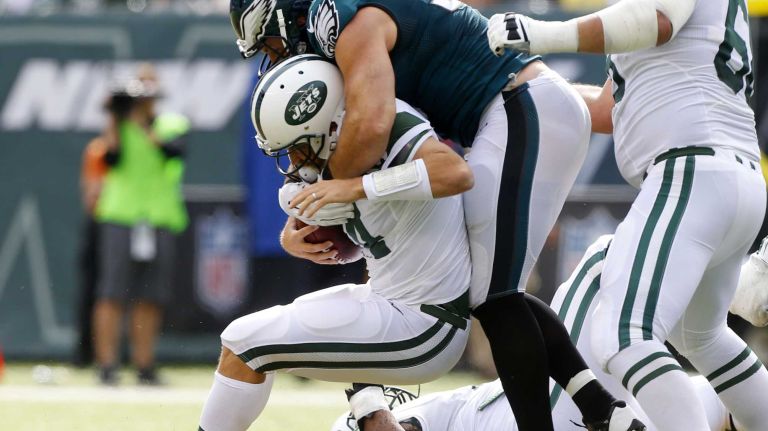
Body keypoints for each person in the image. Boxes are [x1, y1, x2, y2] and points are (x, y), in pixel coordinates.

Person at [227, 1, 644, 429]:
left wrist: (337, 193)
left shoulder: (348, 22)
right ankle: (602, 411)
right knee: (493, 292)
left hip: (515, 108)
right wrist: (322, 207)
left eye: (271, 43)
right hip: (517, 107)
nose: (274, 57)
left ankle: (579, 417)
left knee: (496, 298)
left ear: (287, 15)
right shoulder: (344, 26)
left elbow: (370, 127)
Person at [487, 2, 768, 430]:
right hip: (727, 172)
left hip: (692, 166)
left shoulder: (653, 14)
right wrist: (515, 87)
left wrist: (541, 34)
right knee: (703, 337)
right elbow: (605, 109)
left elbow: (657, 21)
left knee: (624, 333)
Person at [198, 54, 477, 431]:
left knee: (244, 343)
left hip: (423, 323)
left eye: (299, 145)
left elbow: (454, 172)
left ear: (329, 123)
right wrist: (291, 237)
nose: (295, 159)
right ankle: (374, 416)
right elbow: (350, 218)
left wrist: (354, 188)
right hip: (392, 300)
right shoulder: (345, 141)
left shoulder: (388, 121)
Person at [333, 233, 768, 431]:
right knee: (606, 261)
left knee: (723, 386)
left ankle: (730, 300)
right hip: (560, 415)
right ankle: (742, 288)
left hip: (601, 409)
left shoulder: (439, 410)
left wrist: (369, 396)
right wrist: (367, 396)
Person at [92, 65, 190, 385]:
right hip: (121, 215)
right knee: (112, 293)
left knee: (151, 296)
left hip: (159, 216)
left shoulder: (171, 124)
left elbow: (173, 153)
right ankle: (107, 365)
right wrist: (113, 116)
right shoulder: (118, 125)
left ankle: (144, 364)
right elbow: (111, 159)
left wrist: (143, 124)